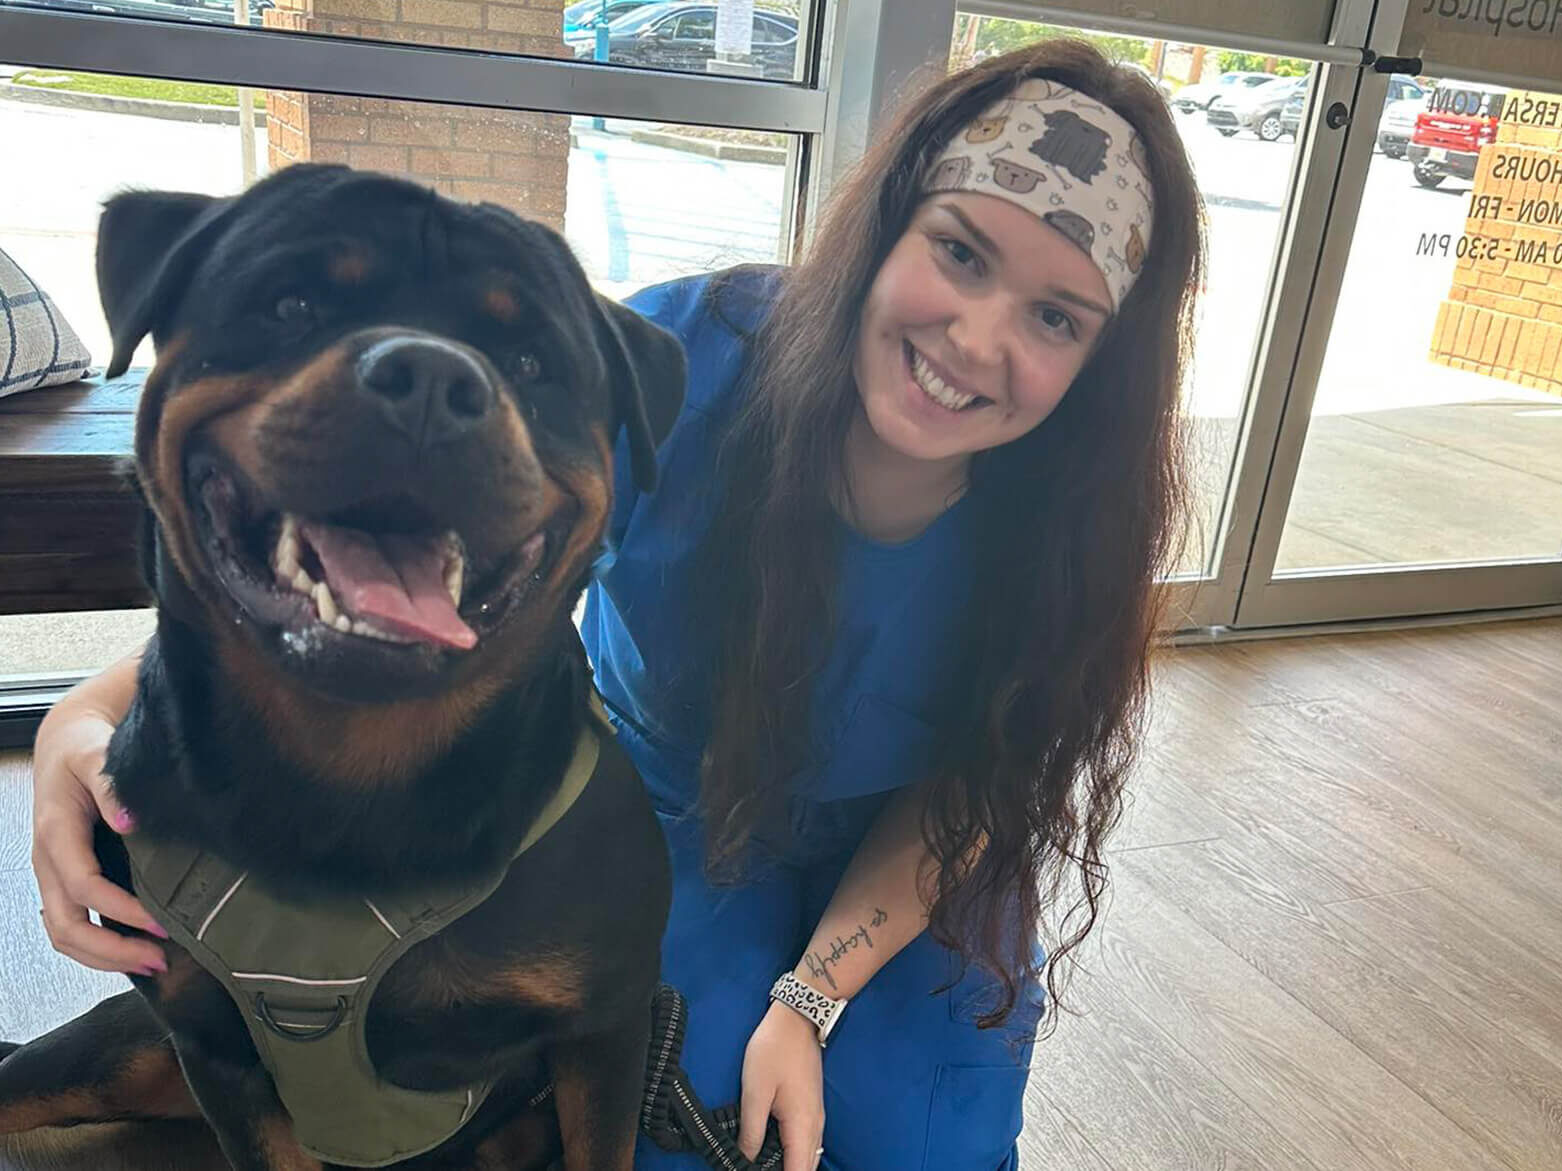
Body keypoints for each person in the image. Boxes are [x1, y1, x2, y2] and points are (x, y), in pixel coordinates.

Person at [30, 38, 1203, 1171]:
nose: (979, 336)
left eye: (1058, 317)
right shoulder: (698, 351)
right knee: (690, 1108)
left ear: (1106, 356)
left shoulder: (1077, 521)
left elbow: (976, 789)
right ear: (889, 224)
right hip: (675, 810)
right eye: (959, 251)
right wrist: (81, 713)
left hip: (916, 854)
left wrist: (812, 996)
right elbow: (395, 553)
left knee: (929, 1144)